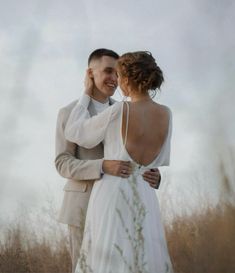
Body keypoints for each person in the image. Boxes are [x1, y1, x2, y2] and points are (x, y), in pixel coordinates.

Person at [65, 51, 174, 273]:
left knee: (108, 259)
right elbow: (159, 160)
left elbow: (75, 131)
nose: (117, 81)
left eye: (119, 75)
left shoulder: (119, 110)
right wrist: (152, 174)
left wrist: (87, 91)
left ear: (127, 78)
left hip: (113, 192)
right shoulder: (166, 113)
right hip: (145, 193)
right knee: (144, 256)